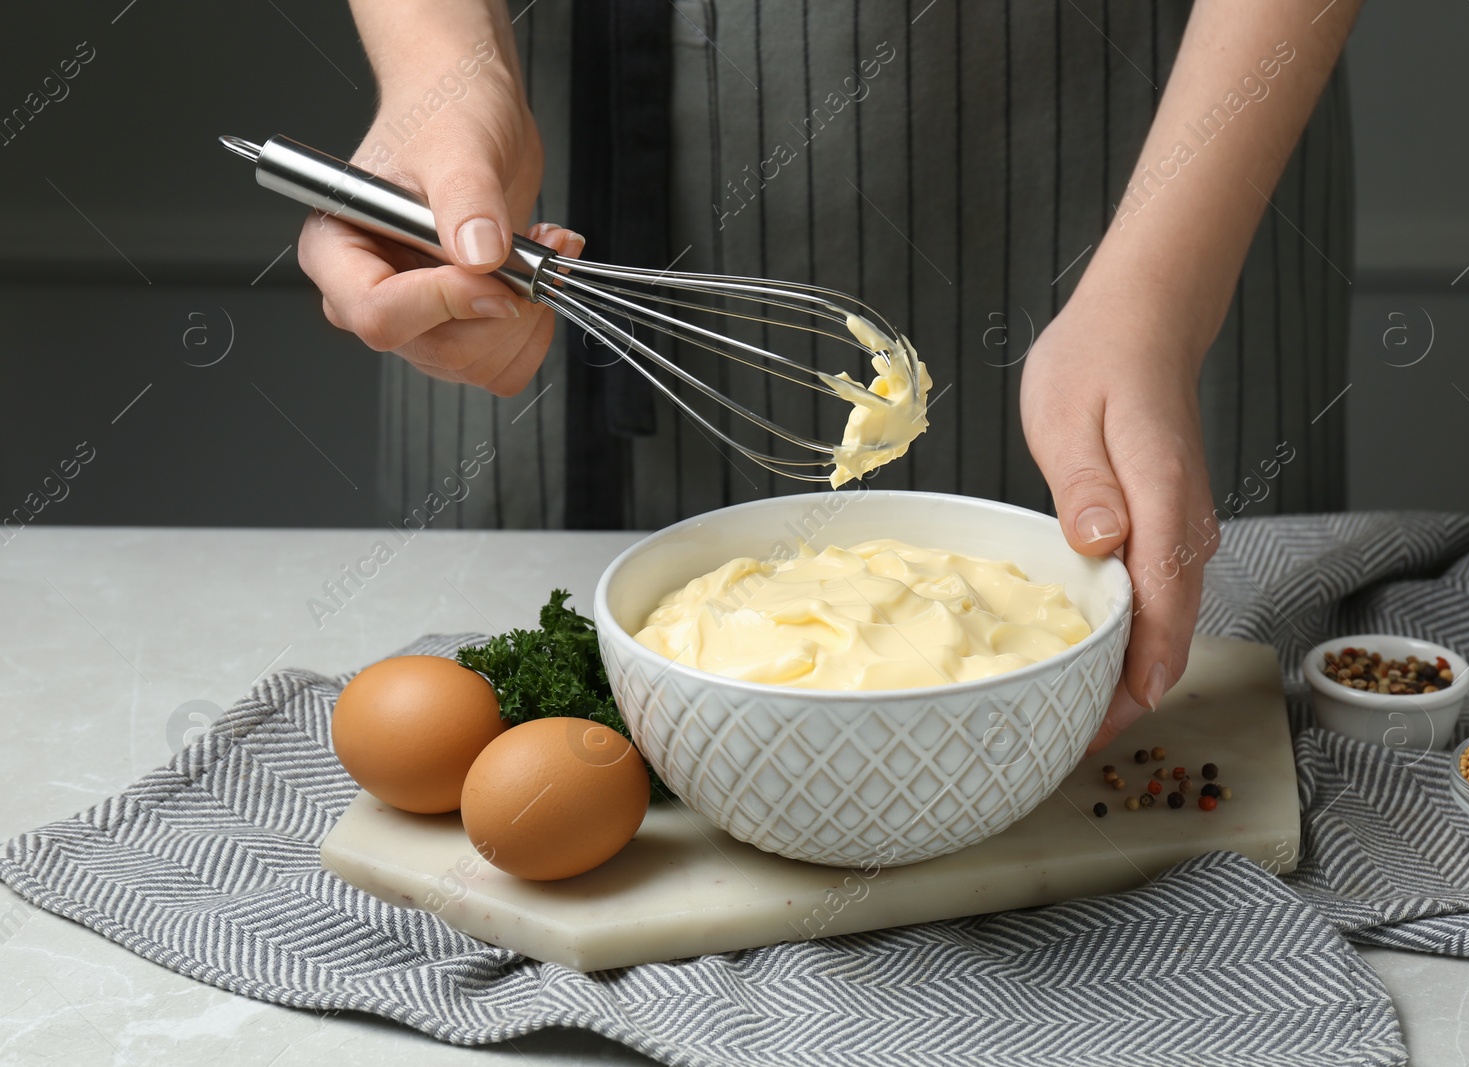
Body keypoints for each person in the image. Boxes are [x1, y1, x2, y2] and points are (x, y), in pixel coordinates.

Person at [299, 0, 1361, 753]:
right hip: (551, 141)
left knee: (1173, 645)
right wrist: (446, 71)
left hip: (1126, 143)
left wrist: (1155, 302)